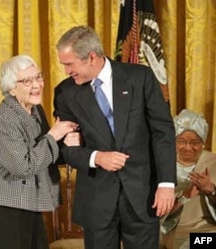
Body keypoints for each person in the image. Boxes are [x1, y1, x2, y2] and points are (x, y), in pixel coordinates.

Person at [53, 25, 176, 249]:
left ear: (91, 57)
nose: (66, 71)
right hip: (97, 200)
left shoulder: (140, 78)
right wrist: (96, 157)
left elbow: (163, 132)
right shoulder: (65, 93)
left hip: (142, 195)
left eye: (69, 64)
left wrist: (166, 184)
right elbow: (66, 149)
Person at [0, 55, 80, 249]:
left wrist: (66, 143)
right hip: (1, 204)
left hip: (28, 199)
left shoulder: (35, 109)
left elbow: (43, 150)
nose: (36, 85)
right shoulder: (5, 117)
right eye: (27, 81)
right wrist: (53, 136)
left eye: (38, 77)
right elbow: (23, 166)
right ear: (11, 88)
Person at [160, 109, 216, 249]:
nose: (188, 148)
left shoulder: (213, 162)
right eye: (182, 141)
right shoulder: (163, 164)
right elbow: (153, 212)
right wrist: (185, 196)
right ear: (175, 141)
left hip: (206, 229)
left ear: (203, 142)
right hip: (168, 230)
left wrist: (211, 191)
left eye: (194, 142)